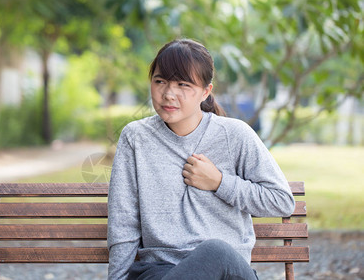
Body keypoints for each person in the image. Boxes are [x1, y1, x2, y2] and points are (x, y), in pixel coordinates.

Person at [107, 38, 295, 280]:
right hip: (160, 272)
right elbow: (124, 223)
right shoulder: (136, 138)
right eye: (160, 81)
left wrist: (220, 183)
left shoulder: (234, 135)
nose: (168, 94)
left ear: (206, 91)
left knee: (215, 252)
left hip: (227, 272)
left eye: (183, 85)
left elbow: (281, 201)